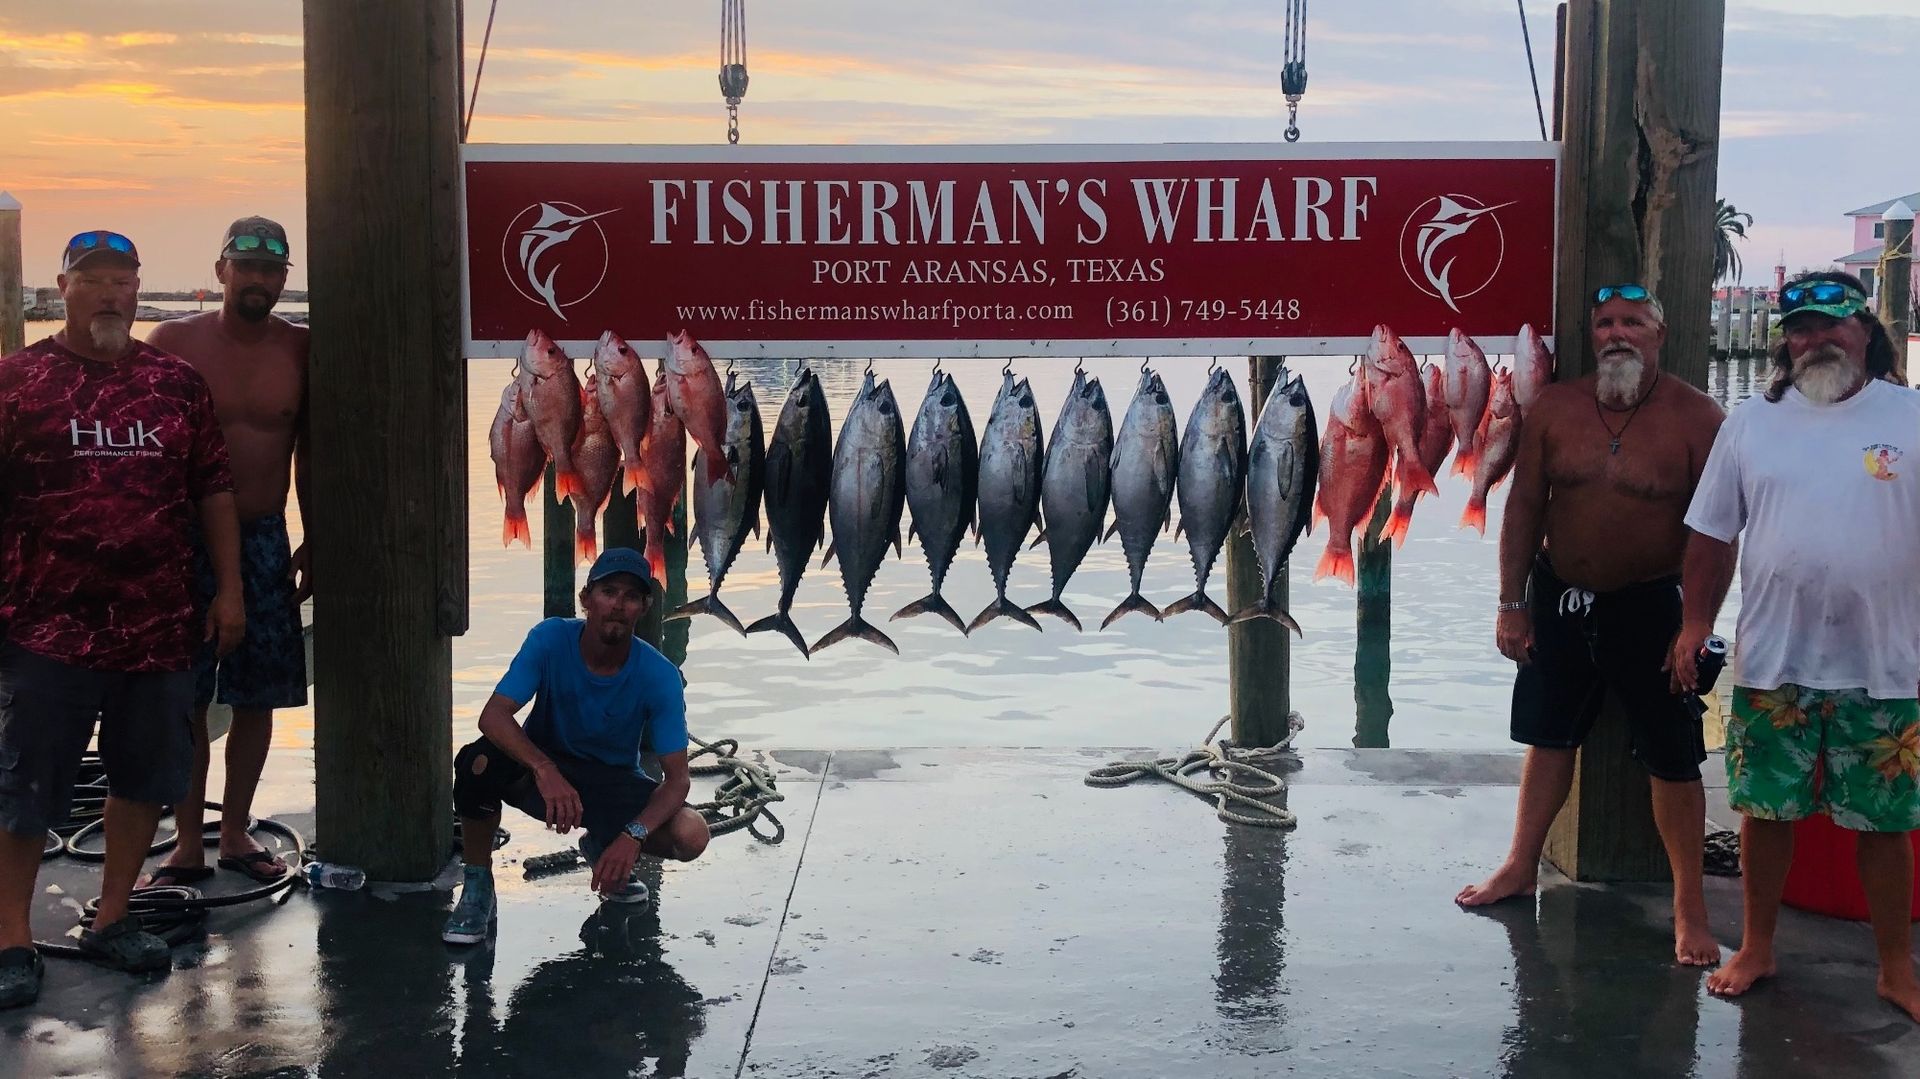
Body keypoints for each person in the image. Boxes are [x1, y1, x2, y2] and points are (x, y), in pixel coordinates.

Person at [0, 230, 245, 1008]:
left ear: (139, 291)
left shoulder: (176, 384)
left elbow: (212, 490)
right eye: (93, 279)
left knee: (143, 778)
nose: (110, 293)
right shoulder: (17, 380)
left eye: (122, 280)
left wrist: (230, 588)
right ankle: (9, 937)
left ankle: (111, 917)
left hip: (159, 624)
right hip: (45, 625)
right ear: (62, 286)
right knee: (27, 787)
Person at [1668, 271, 1920, 1018]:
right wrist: (1692, 624)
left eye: (1831, 325)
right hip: (1773, 659)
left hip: (1887, 665)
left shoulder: (1909, 415)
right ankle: (1758, 944)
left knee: (1886, 823)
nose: (1815, 341)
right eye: (1800, 329)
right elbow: (1712, 535)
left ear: (1866, 331)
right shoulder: (1752, 422)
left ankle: (1895, 968)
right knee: (1766, 813)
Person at [1456, 284, 1727, 968]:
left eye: (1632, 322)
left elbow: (1715, 533)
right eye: (1604, 321)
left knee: (1673, 754)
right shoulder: (1555, 407)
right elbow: (1523, 507)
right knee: (1549, 737)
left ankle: (1689, 903)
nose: (1616, 333)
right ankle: (1521, 863)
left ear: (1658, 335)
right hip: (1558, 595)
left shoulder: (1699, 419)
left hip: (1653, 604)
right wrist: (1510, 600)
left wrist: (1697, 622)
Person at [141, 217, 311, 887]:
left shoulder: (300, 349)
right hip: (180, 539)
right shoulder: (172, 342)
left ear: (283, 280)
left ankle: (235, 829)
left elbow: (312, 449)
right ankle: (186, 840)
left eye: (271, 271)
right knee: (184, 692)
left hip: (265, 533)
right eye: (245, 266)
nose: (258, 280)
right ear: (221, 271)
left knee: (256, 695)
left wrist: (315, 534)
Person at [444, 548, 711, 946]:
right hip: (543, 775)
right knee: (477, 761)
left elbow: (677, 781)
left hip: (610, 781)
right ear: (587, 599)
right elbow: (493, 716)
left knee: (691, 834)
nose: (618, 605)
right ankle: (479, 886)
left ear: (644, 608)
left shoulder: (661, 676)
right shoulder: (550, 638)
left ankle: (605, 844)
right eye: (608, 591)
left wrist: (632, 836)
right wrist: (543, 768)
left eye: (631, 596)